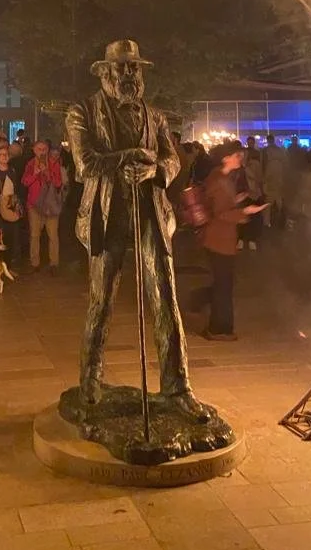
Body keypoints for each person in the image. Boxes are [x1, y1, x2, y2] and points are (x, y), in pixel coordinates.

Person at [66, 39, 207, 417]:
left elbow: (171, 160)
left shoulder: (155, 115)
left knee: (165, 296)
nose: (130, 74)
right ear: (106, 72)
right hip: (106, 214)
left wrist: (154, 169)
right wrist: (130, 158)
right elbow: (84, 164)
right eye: (123, 67)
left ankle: (178, 388)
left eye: (135, 68)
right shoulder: (83, 111)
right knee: (102, 300)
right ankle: (90, 381)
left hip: (150, 213)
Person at [189, 142, 266, 340]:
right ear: (226, 158)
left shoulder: (219, 176)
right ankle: (219, 329)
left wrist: (237, 199)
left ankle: (201, 305)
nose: (240, 159)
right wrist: (244, 211)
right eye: (237, 155)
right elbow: (221, 213)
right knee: (224, 285)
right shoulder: (220, 181)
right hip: (219, 239)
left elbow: (218, 203)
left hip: (216, 238)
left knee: (223, 282)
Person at [22, 140, 63, 273]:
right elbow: (25, 182)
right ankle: (35, 263)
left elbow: (58, 183)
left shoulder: (54, 164)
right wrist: (35, 173)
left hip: (50, 206)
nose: (42, 151)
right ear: (34, 150)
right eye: (39, 149)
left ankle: (54, 264)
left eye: (44, 149)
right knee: (34, 235)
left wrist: (47, 174)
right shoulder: (30, 164)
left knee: (53, 235)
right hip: (34, 205)